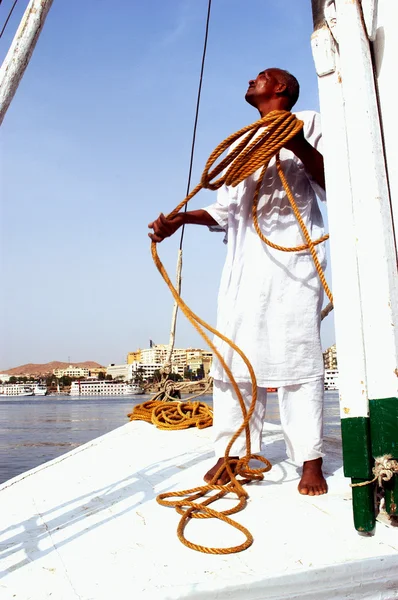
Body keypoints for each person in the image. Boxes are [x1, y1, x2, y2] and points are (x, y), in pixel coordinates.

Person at [148, 68, 328, 496]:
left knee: (299, 356)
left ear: (281, 88)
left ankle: (310, 460)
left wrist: (295, 142)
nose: (251, 79)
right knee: (233, 358)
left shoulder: (312, 122)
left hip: (294, 264)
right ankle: (231, 452)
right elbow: (224, 210)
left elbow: (333, 180)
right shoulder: (245, 143)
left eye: (261, 76)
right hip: (244, 269)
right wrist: (180, 220)